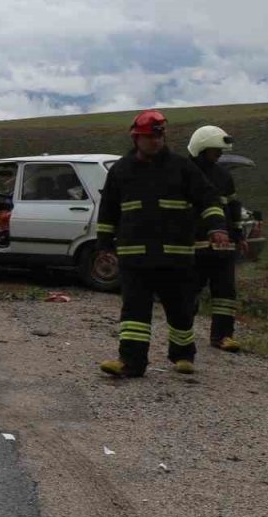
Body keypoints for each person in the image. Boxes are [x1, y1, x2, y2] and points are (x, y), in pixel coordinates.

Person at [96, 110, 228, 379]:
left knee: (180, 310)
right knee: (134, 312)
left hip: (175, 257)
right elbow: (108, 210)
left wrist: (217, 228)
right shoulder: (121, 170)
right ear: (136, 138)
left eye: (159, 136)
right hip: (135, 258)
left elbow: (209, 198)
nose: (156, 141)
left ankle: (182, 355)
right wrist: (104, 245)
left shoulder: (182, 167)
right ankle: (130, 362)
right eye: (149, 137)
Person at [188, 125, 244, 352]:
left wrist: (238, 235)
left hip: (223, 246)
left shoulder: (223, 175)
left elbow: (233, 206)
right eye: (215, 150)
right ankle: (182, 335)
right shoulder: (183, 172)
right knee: (188, 291)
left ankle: (223, 336)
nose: (219, 154)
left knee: (225, 293)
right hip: (193, 246)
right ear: (201, 149)